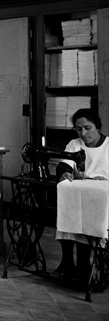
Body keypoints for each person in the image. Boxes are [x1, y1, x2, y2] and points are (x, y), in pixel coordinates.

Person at [54, 108, 108, 281]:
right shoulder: (74, 144)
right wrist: (65, 174)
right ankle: (68, 262)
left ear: (97, 127)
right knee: (68, 212)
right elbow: (64, 165)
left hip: (104, 199)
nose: (83, 133)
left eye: (87, 128)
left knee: (85, 218)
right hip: (81, 195)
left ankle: (84, 266)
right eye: (79, 129)